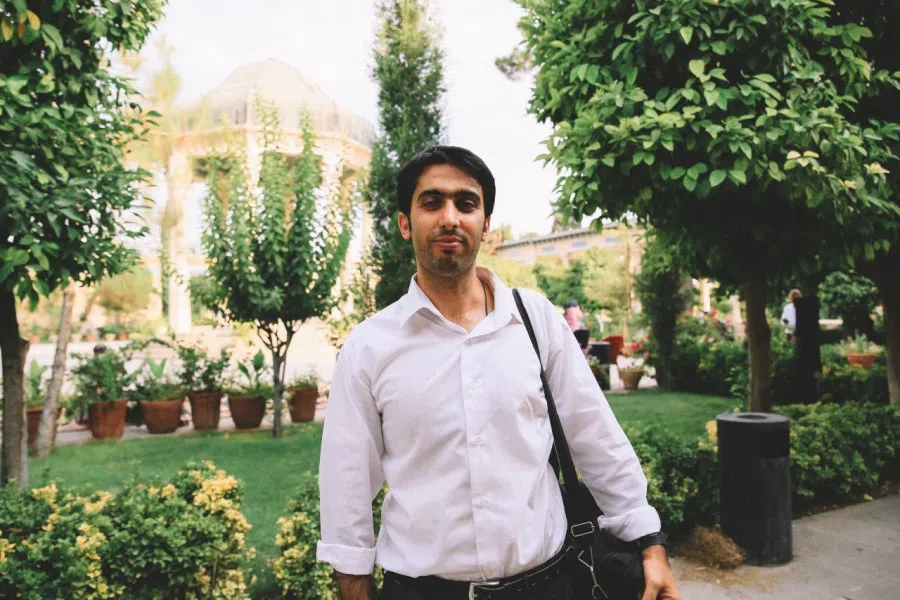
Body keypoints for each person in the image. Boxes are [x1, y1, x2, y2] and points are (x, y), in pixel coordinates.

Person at [316, 146, 680, 600]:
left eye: (466, 204)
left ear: (485, 225)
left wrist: (651, 546)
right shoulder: (370, 346)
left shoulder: (535, 321)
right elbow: (346, 490)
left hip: (549, 586)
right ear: (405, 223)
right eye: (432, 202)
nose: (450, 217)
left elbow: (596, 439)